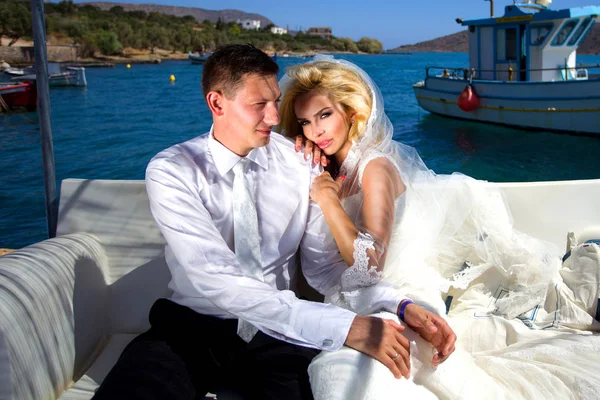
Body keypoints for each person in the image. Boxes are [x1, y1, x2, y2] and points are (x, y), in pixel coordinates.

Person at [92, 44, 452, 400]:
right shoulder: (173, 170)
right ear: (217, 104)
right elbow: (215, 276)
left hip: (279, 336)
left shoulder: (303, 164)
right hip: (190, 328)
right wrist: (346, 327)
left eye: (274, 101)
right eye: (258, 105)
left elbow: (325, 271)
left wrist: (399, 304)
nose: (275, 118)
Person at [279, 56, 600, 399]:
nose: (316, 131)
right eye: (305, 122)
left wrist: (327, 201)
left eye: (324, 115)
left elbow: (369, 266)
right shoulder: (329, 165)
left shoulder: (374, 168)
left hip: (399, 291)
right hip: (358, 299)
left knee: (351, 376)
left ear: (351, 113)